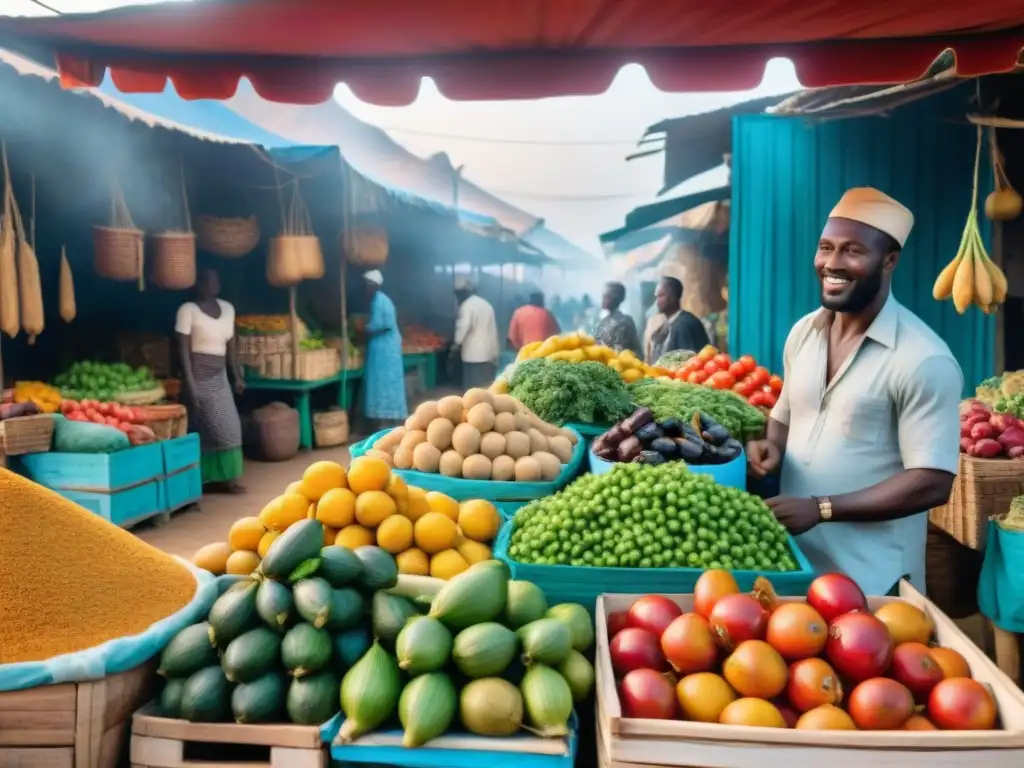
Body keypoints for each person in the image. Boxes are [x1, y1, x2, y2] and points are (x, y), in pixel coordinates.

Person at [746, 187, 961, 596]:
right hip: (798, 566)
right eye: (825, 247)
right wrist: (769, 449)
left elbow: (932, 481)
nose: (832, 263)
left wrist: (821, 508)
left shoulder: (922, 358)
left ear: (889, 261)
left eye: (853, 251)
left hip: (874, 582)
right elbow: (785, 416)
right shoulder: (804, 333)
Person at [176, 268, 245, 493]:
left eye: (215, 281)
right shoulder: (188, 310)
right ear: (198, 284)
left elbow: (231, 346)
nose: (212, 285)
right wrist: (191, 384)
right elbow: (183, 350)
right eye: (207, 281)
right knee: (211, 429)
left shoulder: (228, 309)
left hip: (220, 375)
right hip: (199, 375)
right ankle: (208, 478)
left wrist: (236, 375)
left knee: (231, 428)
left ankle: (228, 478)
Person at [361, 270, 408, 430]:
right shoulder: (381, 300)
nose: (366, 289)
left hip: (385, 347)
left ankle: (387, 420)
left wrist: (364, 329)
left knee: (385, 383)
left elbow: (382, 324)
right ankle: (386, 419)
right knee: (383, 382)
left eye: (367, 286)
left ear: (373, 285)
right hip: (384, 347)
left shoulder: (379, 301)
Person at [647, 276, 710, 362]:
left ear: (673, 296)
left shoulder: (682, 325)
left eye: (661, 296)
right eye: (656, 297)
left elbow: (687, 364)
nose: (657, 302)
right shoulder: (673, 322)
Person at [453, 277, 499, 388]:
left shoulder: (467, 305)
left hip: (472, 355)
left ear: (463, 292)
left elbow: (462, 328)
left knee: (472, 390)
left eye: (458, 294)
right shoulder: (486, 304)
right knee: (485, 388)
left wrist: (456, 345)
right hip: (488, 353)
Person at [593, 282, 642, 356]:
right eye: (603, 296)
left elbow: (636, 348)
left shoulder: (625, 321)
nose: (603, 300)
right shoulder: (600, 321)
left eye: (606, 296)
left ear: (616, 298)